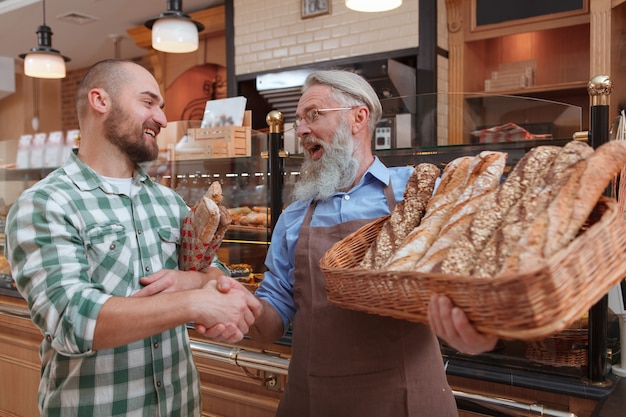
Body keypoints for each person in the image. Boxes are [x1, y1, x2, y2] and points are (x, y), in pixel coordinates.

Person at [4, 59, 261, 416]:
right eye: (148, 102)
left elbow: (211, 270)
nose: (162, 118)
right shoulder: (46, 204)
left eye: (161, 106)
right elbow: (71, 321)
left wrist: (204, 289)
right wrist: (193, 304)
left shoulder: (168, 201)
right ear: (100, 101)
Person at [246, 70, 498, 417]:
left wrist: (475, 326)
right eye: (299, 120)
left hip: (408, 398)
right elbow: (273, 315)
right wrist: (242, 309)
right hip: (315, 399)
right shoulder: (293, 217)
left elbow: (469, 277)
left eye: (313, 115)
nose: (301, 130)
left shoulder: (420, 194)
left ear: (358, 118)